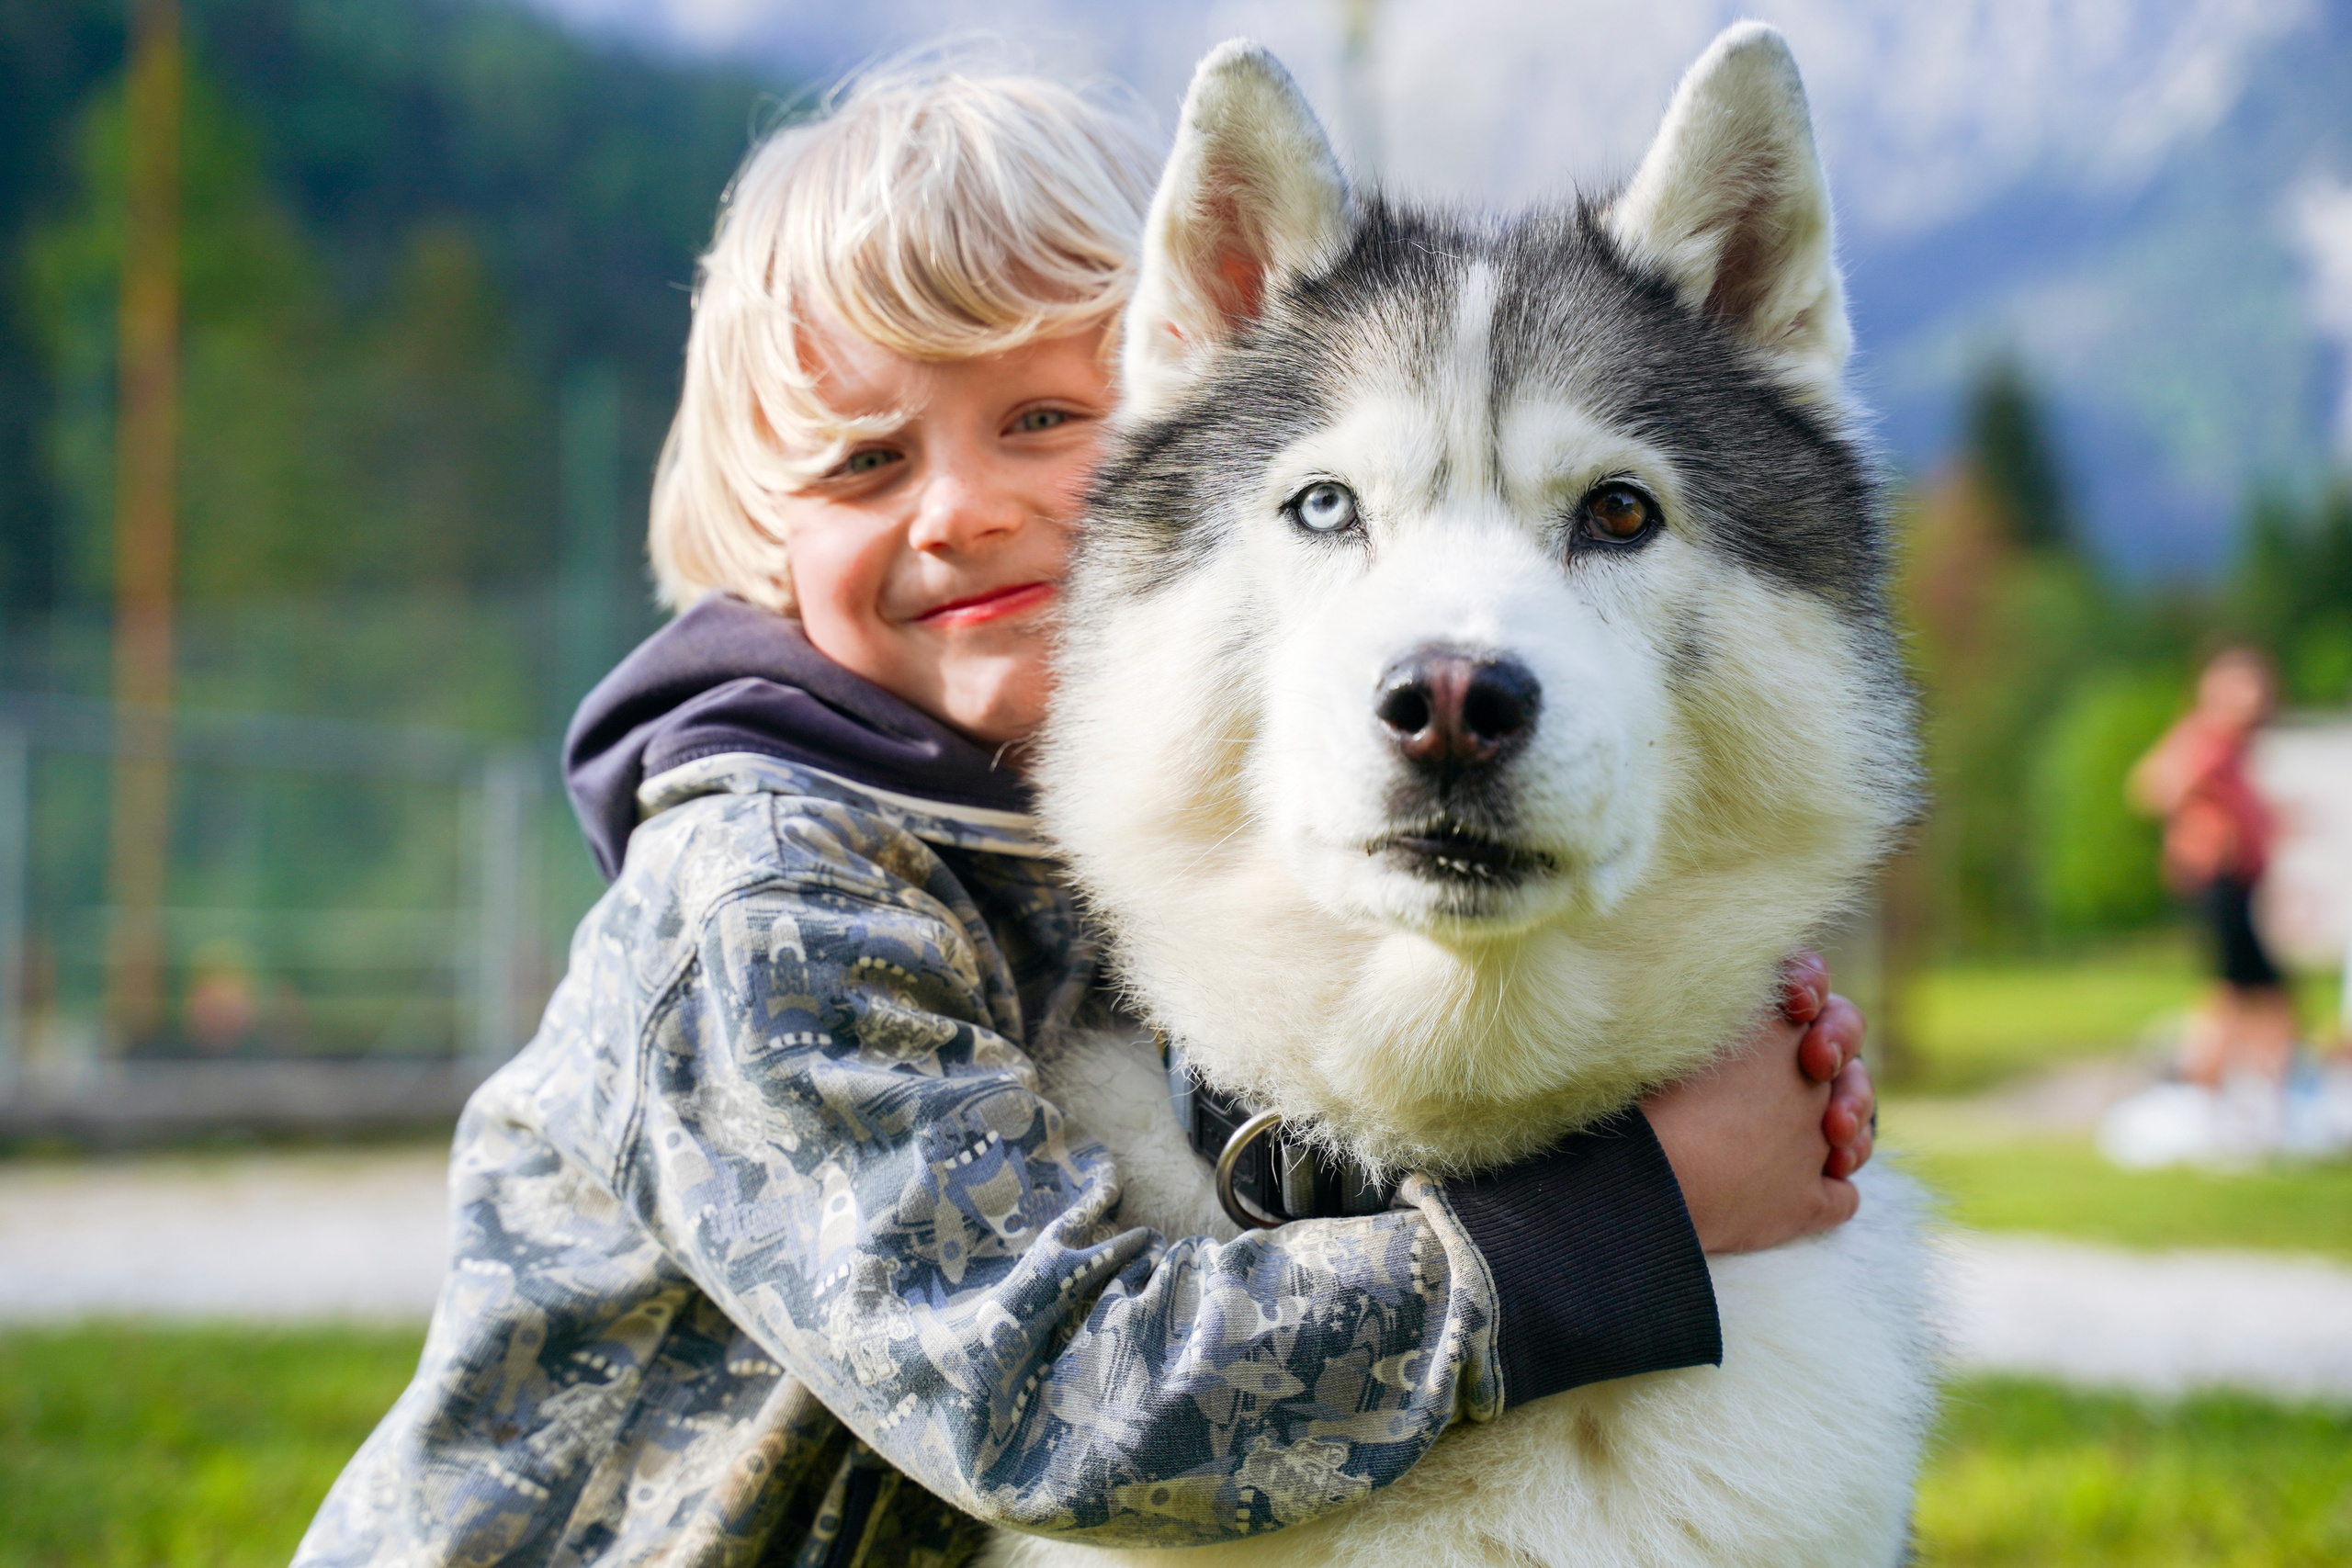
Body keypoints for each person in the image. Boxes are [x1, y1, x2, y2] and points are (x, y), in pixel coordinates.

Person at [294, 63, 1880, 1568]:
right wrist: (1627, 1233)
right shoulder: (755, 900)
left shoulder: (1048, 834)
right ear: (754, 532)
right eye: (862, 457)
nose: (961, 507)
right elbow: (1048, 1388)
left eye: (1044, 420)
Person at [2131, 647, 2295, 1087]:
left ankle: (2252, 1092)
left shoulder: (2233, 744)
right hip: (2218, 879)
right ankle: (2208, 1088)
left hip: (2236, 882)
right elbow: (2153, 786)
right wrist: (2201, 813)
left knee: (2249, 992)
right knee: (2237, 993)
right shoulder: (2208, 737)